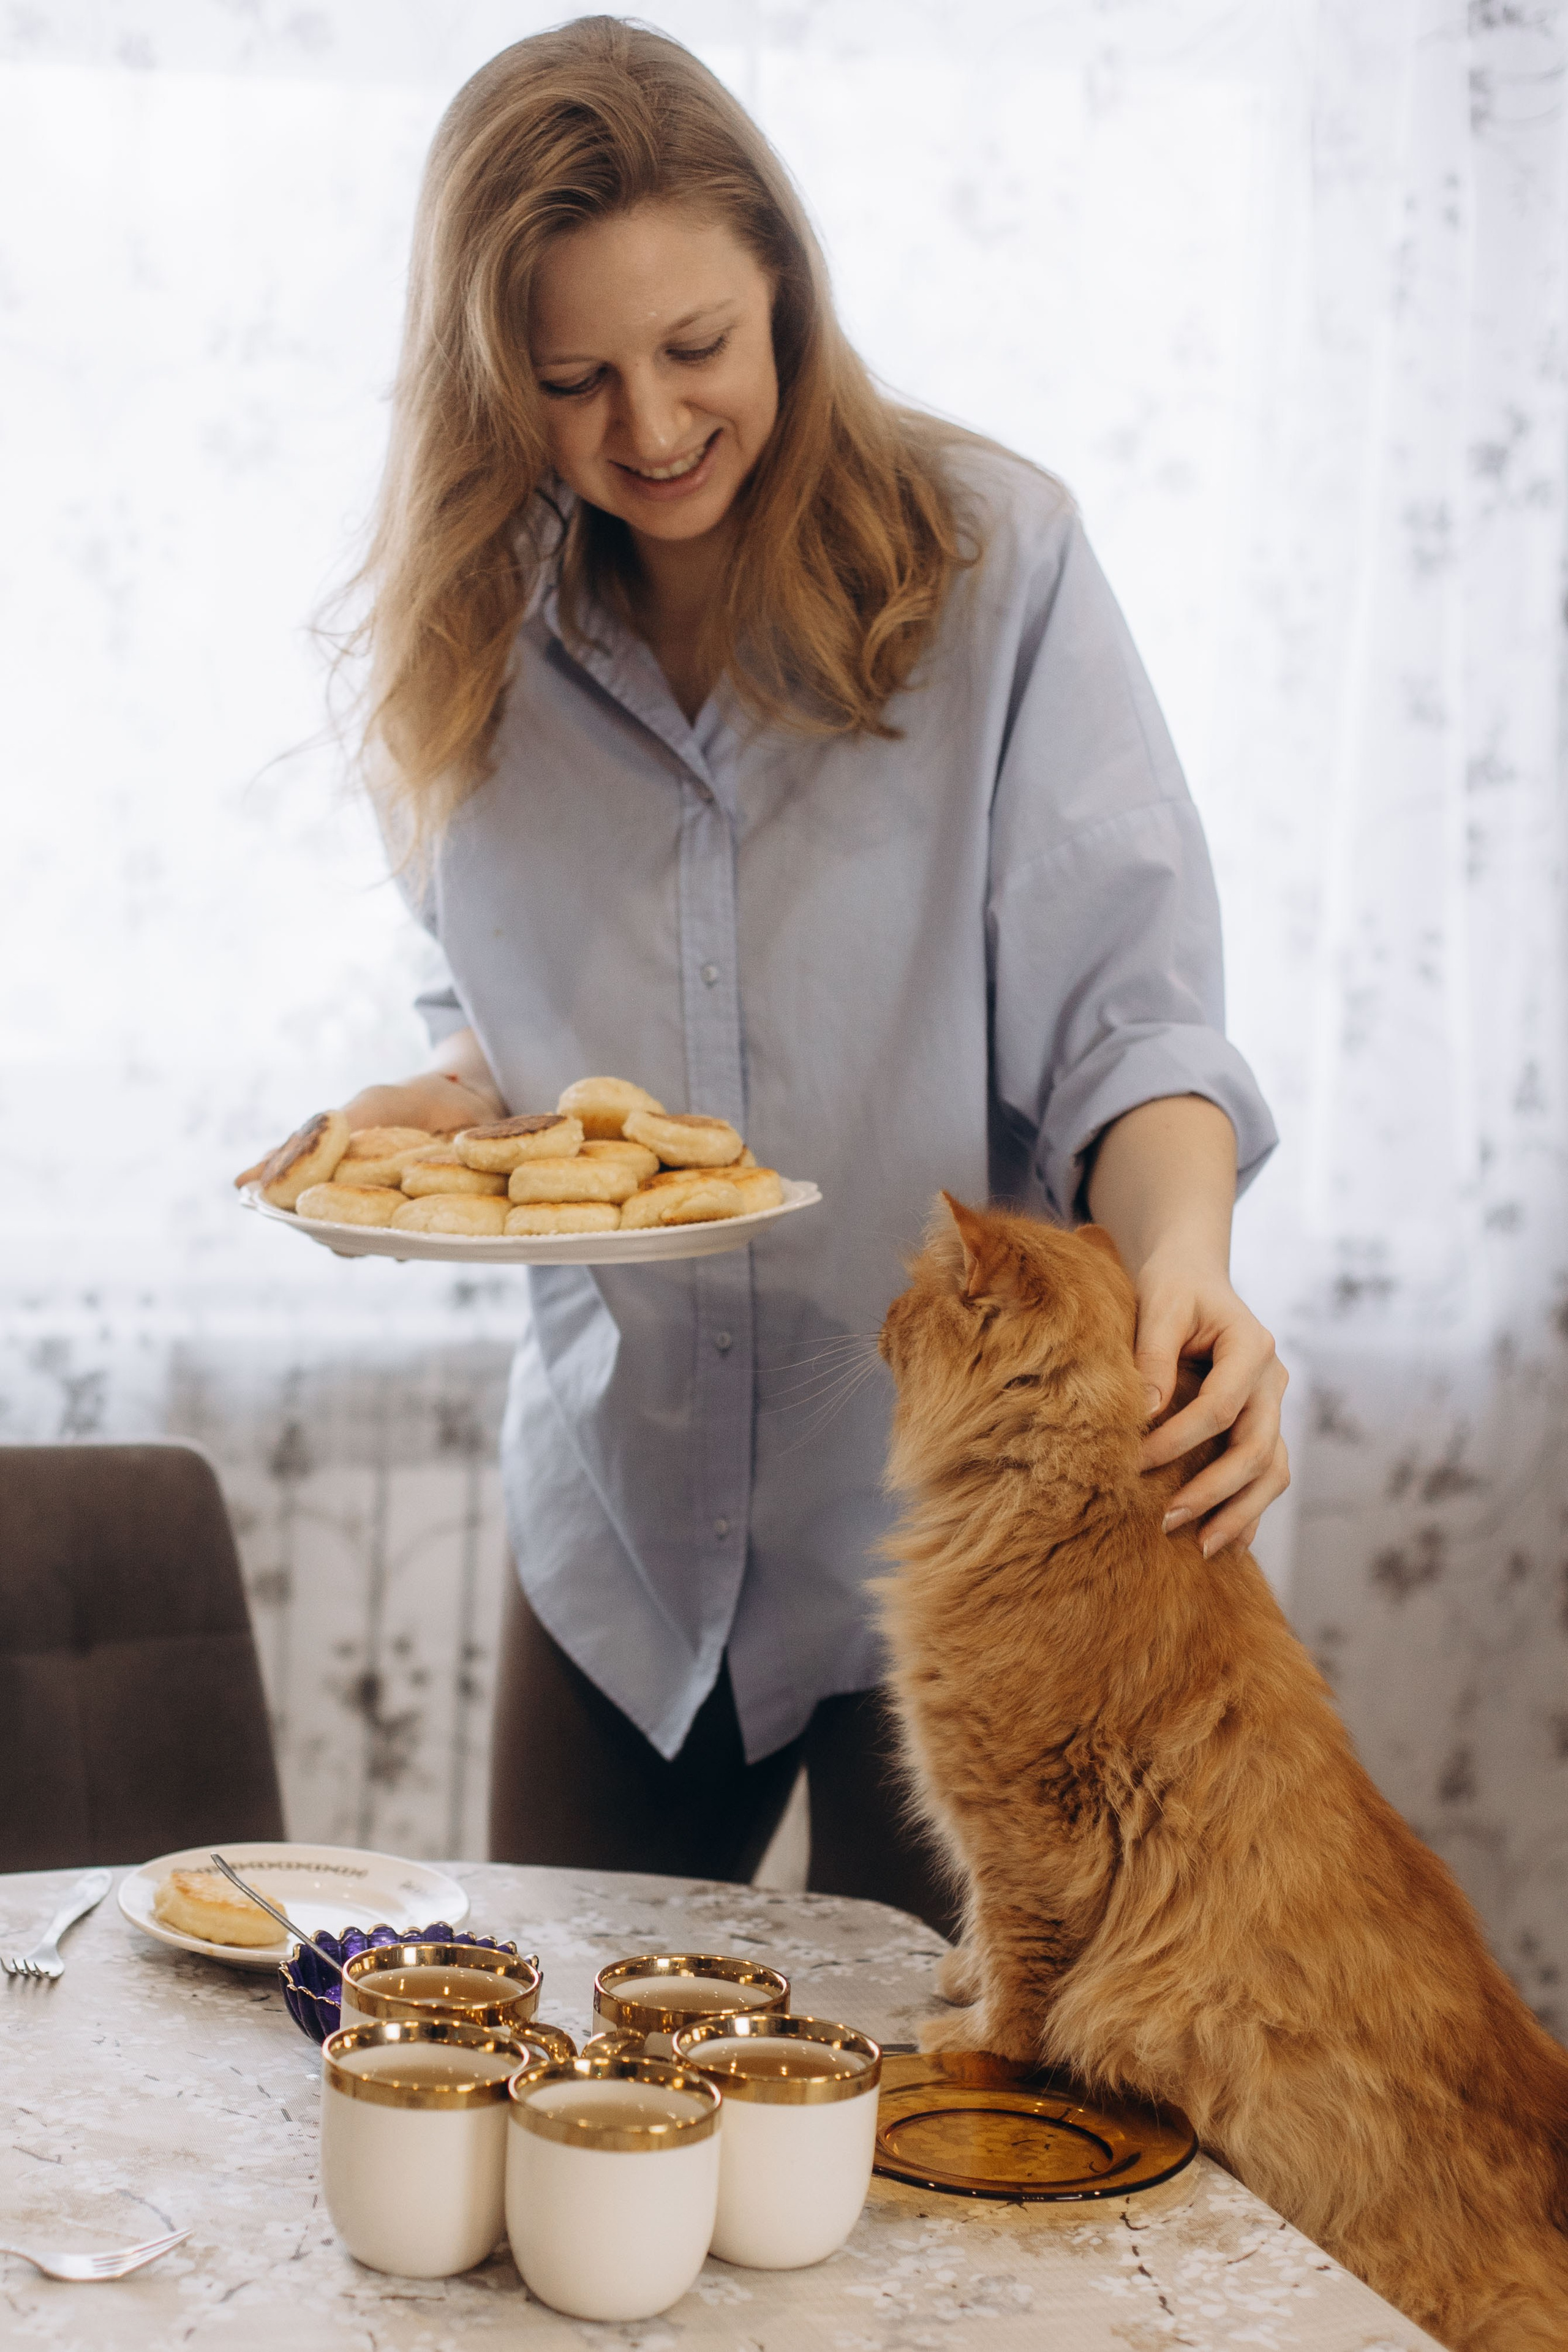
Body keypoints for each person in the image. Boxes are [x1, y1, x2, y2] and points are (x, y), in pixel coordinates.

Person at [331, 17, 1286, 1932]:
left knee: (945, 2139)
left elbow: (1137, 1022)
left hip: (959, 1523)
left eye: (695, 349)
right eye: (574, 380)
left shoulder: (994, 565)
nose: (653, 429)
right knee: (563, 2080)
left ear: (785, 284)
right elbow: (497, 1006)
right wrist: (448, 1107)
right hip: (621, 1534)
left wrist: (1188, 1266)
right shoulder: (468, 630)